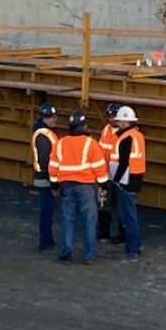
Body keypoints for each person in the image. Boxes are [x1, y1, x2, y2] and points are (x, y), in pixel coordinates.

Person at [49, 111, 108, 262]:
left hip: (67, 186)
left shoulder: (60, 143)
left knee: (69, 220)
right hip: (86, 187)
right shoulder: (91, 143)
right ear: (84, 126)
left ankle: (66, 253)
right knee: (89, 221)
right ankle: (89, 255)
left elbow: (53, 167)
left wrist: (55, 185)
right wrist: (103, 184)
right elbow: (99, 167)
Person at [107, 104, 147, 258]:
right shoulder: (138, 135)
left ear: (125, 122)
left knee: (128, 217)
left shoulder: (126, 138)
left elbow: (123, 163)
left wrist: (115, 180)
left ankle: (132, 249)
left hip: (126, 181)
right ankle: (136, 245)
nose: (118, 124)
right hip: (135, 179)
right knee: (130, 216)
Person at [31, 102, 59, 251]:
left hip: (45, 177)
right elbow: (45, 160)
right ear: (44, 118)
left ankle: (47, 240)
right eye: (51, 117)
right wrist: (53, 182)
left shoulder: (44, 132)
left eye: (55, 117)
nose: (54, 120)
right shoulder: (43, 135)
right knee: (46, 212)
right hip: (45, 178)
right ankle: (45, 241)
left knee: (47, 211)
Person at [97, 103, 121, 243]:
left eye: (114, 116)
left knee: (121, 208)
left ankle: (121, 235)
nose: (112, 119)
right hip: (105, 174)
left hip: (120, 176)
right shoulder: (106, 130)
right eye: (110, 116)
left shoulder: (124, 133)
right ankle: (104, 232)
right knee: (104, 205)